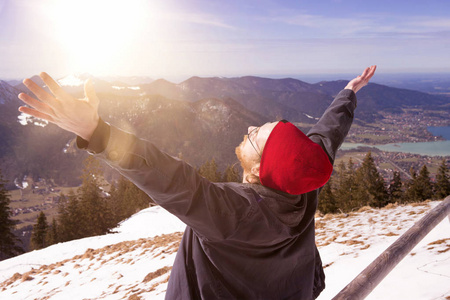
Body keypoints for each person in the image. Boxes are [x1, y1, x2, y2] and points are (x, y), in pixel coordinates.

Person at [18, 65, 376, 299]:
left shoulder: (236, 213)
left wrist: (95, 132)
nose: (250, 128)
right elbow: (323, 140)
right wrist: (348, 93)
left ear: (256, 172)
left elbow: (169, 178)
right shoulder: (303, 183)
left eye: (256, 136)